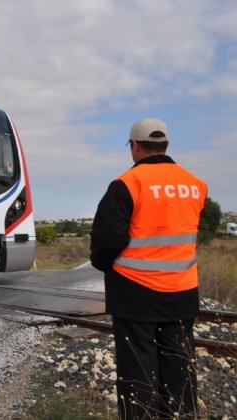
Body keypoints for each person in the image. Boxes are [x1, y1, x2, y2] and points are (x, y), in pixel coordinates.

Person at [90, 117, 207, 419]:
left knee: (138, 375)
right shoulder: (195, 185)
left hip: (136, 293)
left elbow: (106, 240)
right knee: (179, 368)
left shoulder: (127, 184)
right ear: (165, 145)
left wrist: (103, 265)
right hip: (182, 291)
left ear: (135, 145)